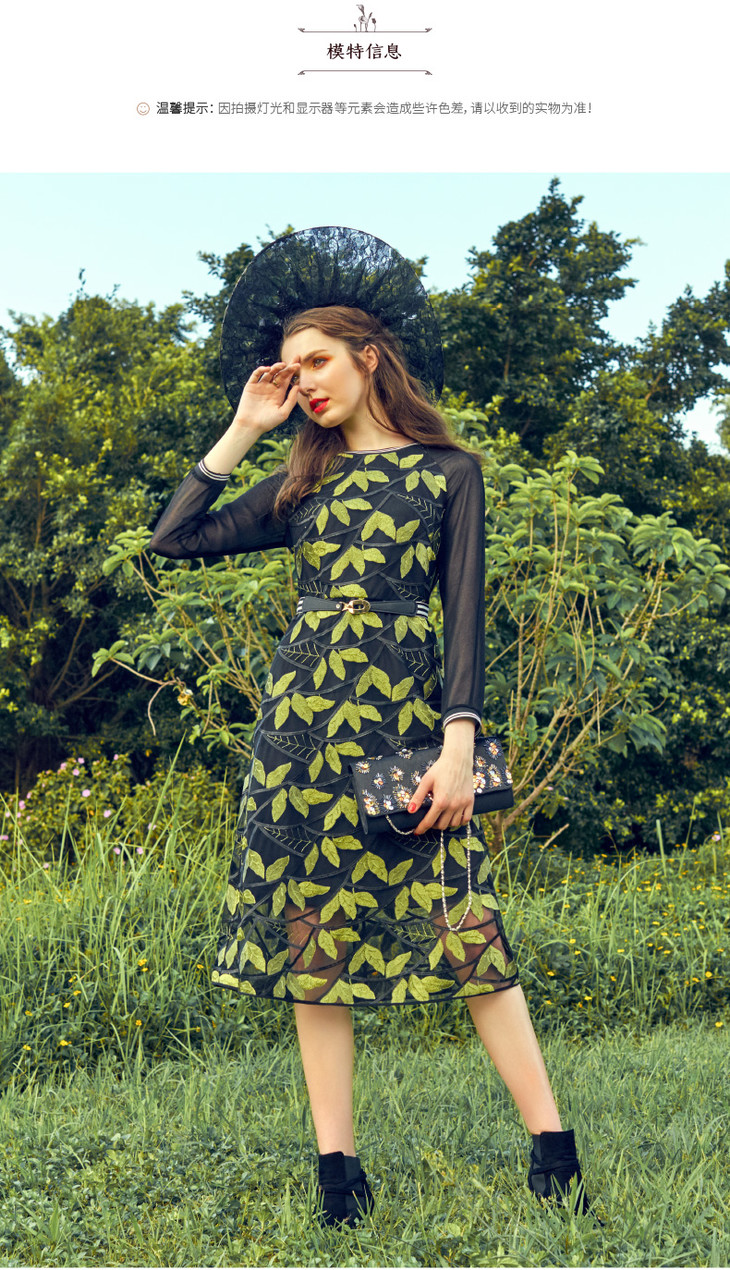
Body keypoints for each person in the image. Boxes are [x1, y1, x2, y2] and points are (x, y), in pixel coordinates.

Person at [148, 227, 595, 1227]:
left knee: (466, 926)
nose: (302, 383)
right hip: (298, 738)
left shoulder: (449, 472)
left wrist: (458, 745)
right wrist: (245, 427)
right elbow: (173, 540)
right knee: (312, 946)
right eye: (289, 368)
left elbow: (464, 619)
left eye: (316, 362)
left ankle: (554, 1151)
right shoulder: (298, 485)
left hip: (408, 732)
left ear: (369, 358)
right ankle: (338, 1175)